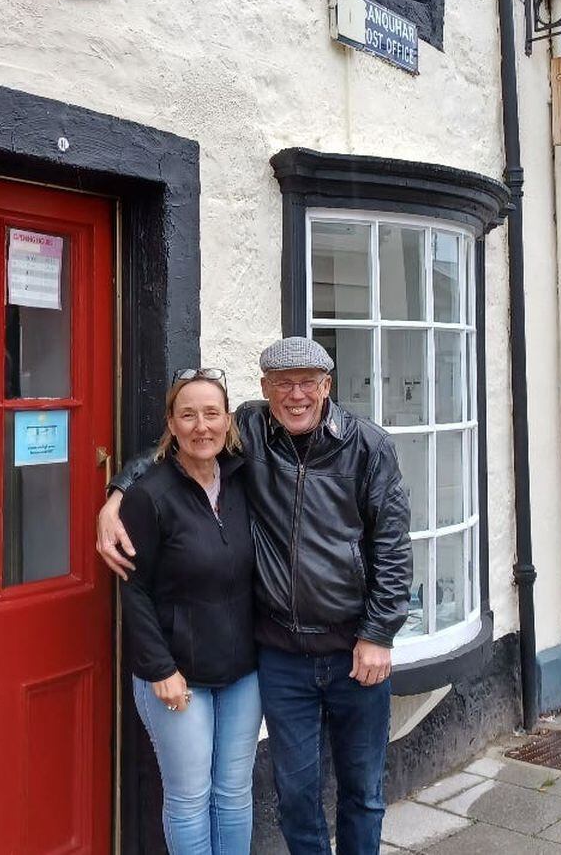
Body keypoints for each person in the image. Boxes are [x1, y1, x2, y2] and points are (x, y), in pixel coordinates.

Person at [100, 338, 412, 855]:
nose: (296, 395)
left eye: (308, 381)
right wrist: (116, 495)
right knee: (295, 794)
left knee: (362, 792)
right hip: (282, 656)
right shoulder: (249, 430)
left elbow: (393, 546)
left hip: (356, 653)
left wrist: (379, 632)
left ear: (326, 386)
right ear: (264, 390)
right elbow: (178, 445)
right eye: (282, 383)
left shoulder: (368, 446)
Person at [120, 368, 262, 854]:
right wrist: (160, 668)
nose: (202, 427)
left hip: (243, 671)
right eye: (188, 415)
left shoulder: (245, 481)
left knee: (234, 792)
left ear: (228, 421)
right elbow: (133, 590)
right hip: (177, 674)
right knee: (189, 797)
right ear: (171, 424)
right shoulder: (149, 495)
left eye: (212, 414)